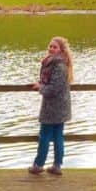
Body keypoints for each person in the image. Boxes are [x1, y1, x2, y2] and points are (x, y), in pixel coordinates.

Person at [29, 36, 73, 175]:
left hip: (54, 107)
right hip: (57, 106)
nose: (51, 49)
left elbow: (54, 88)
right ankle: (56, 166)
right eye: (50, 46)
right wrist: (41, 84)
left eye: (55, 47)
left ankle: (39, 165)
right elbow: (49, 82)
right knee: (57, 135)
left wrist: (40, 87)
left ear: (61, 50)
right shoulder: (53, 62)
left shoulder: (59, 65)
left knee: (45, 136)